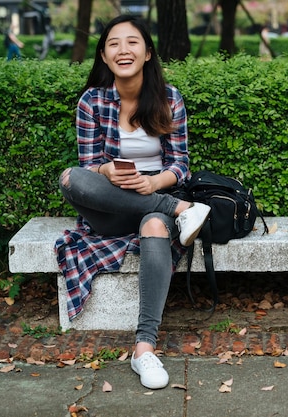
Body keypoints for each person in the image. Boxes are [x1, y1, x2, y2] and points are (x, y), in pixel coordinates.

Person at [55, 15, 210, 390]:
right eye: (113, 43)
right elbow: (89, 166)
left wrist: (154, 182)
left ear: (147, 52)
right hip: (111, 208)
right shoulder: (91, 101)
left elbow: (182, 164)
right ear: (105, 57)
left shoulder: (169, 98)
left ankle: (144, 348)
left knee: (155, 225)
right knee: (72, 177)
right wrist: (109, 172)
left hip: (154, 201)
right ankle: (179, 211)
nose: (123, 49)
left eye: (132, 42)